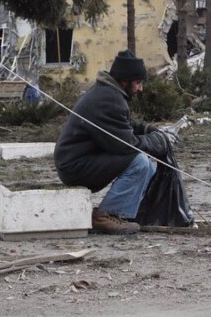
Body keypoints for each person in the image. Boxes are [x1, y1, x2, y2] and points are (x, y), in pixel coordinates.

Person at [54, 50, 170, 235]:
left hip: (79, 160)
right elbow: (125, 145)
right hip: (75, 167)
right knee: (140, 162)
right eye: (138, 83)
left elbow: (125, 125)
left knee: (146, 164)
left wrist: (149, 130)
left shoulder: (108, 93)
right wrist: (158, 142)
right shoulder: (109, 99)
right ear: (125, 81)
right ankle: (107, 215)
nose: (140, 89)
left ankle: (122, 213)